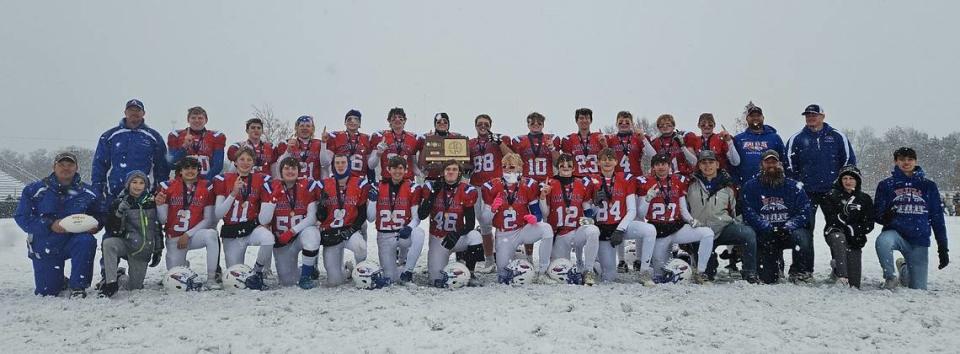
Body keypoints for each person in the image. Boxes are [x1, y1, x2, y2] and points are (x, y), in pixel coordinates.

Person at [15, 152, 103, 297]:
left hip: (74, 240)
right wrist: (49, 224)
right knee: (48, 292)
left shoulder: (88, 192)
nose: (66, 168)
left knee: (86, 241)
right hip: (45, 243)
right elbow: (22, 217)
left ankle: (78, 286)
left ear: (76, 168)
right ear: (53, 167)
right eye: (61, 165)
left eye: (70, 165)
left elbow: (99, 214)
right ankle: (57, 279)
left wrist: (96, 225)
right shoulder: (34, 190)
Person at [874, 147, 949, 290]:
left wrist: (943, 248)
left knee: (918, 287)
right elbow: (877, 215)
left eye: (910, 159)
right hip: (895, 234)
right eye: (902, 159)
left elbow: (937, 218)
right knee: (882, 241)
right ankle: (890, 277)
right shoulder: (886, 185)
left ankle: (904, 268)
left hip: (918, 238)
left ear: (915, 161)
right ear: (896, 161)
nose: (906, 162)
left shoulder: (928, 186)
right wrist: (885, 216)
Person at [636, 153, 713, 284]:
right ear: (653, 167)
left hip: (676, 227)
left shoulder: (678, 181)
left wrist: (690, 220)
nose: (661, 167)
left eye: (664, 164)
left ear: (669, 165)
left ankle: (700, 272)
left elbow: (683, 209)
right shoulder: (646, 182)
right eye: (658, 164)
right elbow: (641, 214)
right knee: (660, 273)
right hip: (658, 230)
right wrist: (648, 198)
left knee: (707, 233)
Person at [740, 150, 813, 284]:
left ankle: (799, 272)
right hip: (765, 234)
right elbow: (748, 212)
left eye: (774, 161)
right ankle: (773, 268)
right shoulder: (751, 186)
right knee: (768, 278)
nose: (771, 165)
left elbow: (804, 212)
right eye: (767, 162)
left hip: (788, 231)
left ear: (780, 163)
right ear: (761, 165)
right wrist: (766, 227)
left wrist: (788, 227)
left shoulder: (793, 186)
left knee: (802, 236)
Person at [685, 150, 758, 283]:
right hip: (701, 232)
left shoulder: (729, 185)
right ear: (699, 166)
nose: (708, 166)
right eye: (704, 163)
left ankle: (750, 272)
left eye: (711, 162)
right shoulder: (690, 185)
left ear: (718, 165)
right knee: (707, 274)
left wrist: (736, 226)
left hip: (723, 228)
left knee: (748, 234)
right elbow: (684, 210)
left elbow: (737, 211)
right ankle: (707, 266)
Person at [479, 153, 554, 282]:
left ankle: (542, 271)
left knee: (546, 229)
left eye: (512, 167)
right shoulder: (492, 186)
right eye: (504, 167)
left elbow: (537, 213)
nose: (507, 170)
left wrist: (535, 218)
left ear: (520, 168)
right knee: (503, 275)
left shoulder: (528, 185)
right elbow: (485, 221)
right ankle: (513, 259)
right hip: (503, 235)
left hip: (522, 230)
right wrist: (492, 209)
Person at [784, 104, 856, 234]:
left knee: (837, 228)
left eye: (814, 115)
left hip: (833, 191)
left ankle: (839, 255)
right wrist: (797, 184)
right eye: (808, 115)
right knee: (805, 230)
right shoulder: (797, 139)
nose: (811, 117)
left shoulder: (837, 137)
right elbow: (788, 164)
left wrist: (841, 185)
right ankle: (806, 254)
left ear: (822, 116)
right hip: (806, 193)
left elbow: (848, 162)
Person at [590, 148, 657, 285]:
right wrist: (595, 204)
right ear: (598, 162)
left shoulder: (626, 179)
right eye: (604, 159)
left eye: (610, 158)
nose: (607, 161)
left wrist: (620, 229)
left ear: (616, 161)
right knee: (609, 276)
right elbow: (588, 214)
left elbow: (632, 210)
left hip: (621, 225)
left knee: (649, 230)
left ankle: (644, 271)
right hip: (602, 228)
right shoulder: (592, 180)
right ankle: (594, 266)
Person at [212, 147, 273, 289]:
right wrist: (233, 193)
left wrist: (264, 222)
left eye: (249, 160)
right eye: (242, 159)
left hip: (251, 228)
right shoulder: (223, 179)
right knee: (234, 278)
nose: (245, 163)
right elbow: (218, 213)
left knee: (268, 239)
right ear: (235, 162)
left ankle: (257, 272)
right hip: (232, 232)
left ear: (253, 162)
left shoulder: (261, 179)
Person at [155, 157, 221, 288]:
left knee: (211, 234)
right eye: (186, 168)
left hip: (194, 235)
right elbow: (163, 220)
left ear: (198, 170)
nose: (190, 171)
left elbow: (208, 219)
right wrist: (159, 205)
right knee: (176, 277)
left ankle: (212, 278)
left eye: (193, 168)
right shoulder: (168, 186)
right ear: (180, 171)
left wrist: (188, 234)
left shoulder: (206, 187)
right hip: (174, 237)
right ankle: (183, 264)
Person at [92, 99, 169, 209]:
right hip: (115, 193)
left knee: (143, 225)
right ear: (125, 112)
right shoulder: (110, 136)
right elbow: (99, 164)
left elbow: (162, 166)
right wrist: (98, 188)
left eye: (137, 110)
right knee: (115, 224)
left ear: (143, 113)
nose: (134, 113)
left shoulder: (153, 137)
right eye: (131, 110)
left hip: (145, 195)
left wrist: (160, 189)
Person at [419, 160, 485, 287]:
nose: (451, 172)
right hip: (439, 239)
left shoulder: (466, 191)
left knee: (475, 236)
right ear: (443, 172)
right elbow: (422, 215)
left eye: (454, 169)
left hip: (457, 236)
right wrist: (433, 195)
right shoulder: (432, 188)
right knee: (436, 280)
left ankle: (470, 271)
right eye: (448, 169)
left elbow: (470, 223)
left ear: (459, 173)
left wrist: (457, 234)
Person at [604, 111, 656, 273]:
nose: (624, 123)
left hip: (636, 179)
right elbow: (604, 157)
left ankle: (640, 259)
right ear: (616, 123)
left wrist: (643, 139)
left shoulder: (638, 138)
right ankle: (621, 261)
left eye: (627, 121)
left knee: (639, 218)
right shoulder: (611, 139)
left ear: (632, 123)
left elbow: (653, 155)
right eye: (621, 121)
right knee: (618, 218)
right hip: (618, 181)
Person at [99, 170, 164, 298]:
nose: (137, 186)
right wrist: (119, 213)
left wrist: (158, 250)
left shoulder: (151, 202)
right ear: (128, 184)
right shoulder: (119, 202)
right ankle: (110, 282)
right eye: (134, 182)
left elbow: (156, 227)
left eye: (141, 183)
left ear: (145, 186)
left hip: (142, 250)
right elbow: (113, 230)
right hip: (127, 244)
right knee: (109, 243)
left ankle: (119, 276)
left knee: (134, 288)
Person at [258, 157, 321, 287]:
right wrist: (273, 200)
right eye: (286, 168)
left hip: (299, 235)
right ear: (281, 171)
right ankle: (307, 267)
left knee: (312, 233)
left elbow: (312, 218)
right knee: (288, 281)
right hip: (282, 241)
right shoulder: (270, 187)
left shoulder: (307, 186)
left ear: (299, 171)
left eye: (294, 168)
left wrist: (292, 231)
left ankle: (306, 276)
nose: (290, 171)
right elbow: (264, 220)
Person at [541, 153, 601, 285]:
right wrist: (542, 197)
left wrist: (590, 218)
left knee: (593, 231)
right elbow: (545, 213)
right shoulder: (550, 183)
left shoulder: (581, 183)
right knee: (560, 272)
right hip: (560, 234)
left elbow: (586, 206)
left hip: (576, 230)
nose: (565, 167)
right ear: (558, 168)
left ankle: (589, 270)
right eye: (562, 165)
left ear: (574, 168)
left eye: (569, 165)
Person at [313, 154, 369, 288]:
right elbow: (320, 217)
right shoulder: (324, 184)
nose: (340, 165)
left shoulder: (359, 184)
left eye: (343, 162)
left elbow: (362, 214)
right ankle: (347, 272)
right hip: (331, 233)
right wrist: (321, 206)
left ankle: (360, 269)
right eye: (337, 163)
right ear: (333, 165)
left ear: (348, 164)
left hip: (349, 229)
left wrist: (352, 229)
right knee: (334, 281)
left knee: (360, 247)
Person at [368, 156, 425, 284]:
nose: (397, 171)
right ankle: (400, 264)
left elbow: (416, 218)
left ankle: (407, 270)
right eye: (394, 168)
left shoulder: (412, 188)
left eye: (400, 168)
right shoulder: (378, 187)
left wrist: (409, 227)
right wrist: (372, 201)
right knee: (391, 278)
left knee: (419, 233)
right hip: (385, 235)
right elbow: (370, 218)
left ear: (406, 170)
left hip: (403, 234)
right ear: (388, 169)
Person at [468, 114, 513, 273]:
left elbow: (511, 156)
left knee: (501, 221)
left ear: (491, 125)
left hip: (495, 186)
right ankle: (489, 260)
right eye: (479, 123)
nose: (483, 126)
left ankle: (505, 256)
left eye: (486, 124)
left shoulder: (499, 140)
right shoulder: (470, 143)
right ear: (475, 125)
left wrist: (499, 142)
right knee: (484, 224)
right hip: (477, 187)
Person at [821, 165, 874, 288]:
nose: (848, 181)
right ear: (840, 180)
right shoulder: (831, 196)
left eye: (851, 178)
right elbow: (831, 219)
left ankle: (836, 266)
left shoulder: (864, 199)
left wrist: (857, 230)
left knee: (855, 284)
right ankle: (841, 277)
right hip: (835, 232)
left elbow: (869, 223)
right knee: (839, 238)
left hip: (856, 237)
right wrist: (847, 228)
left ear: (857, 180)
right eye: (845, 178)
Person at [731, 105, 786, 186]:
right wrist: (736, 183)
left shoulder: (774, 138)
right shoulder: (738, 139)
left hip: (770, 185)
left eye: (758, 116)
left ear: (763, 118)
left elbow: (783, 160)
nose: (755, 118)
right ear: (747, 119)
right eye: (752, 116)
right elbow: (733, 163)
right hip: (745, 185)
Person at [167, 106, 226, 180]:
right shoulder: (176, 136)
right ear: (188, 120)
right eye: (193, 118)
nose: (197, 120)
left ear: (206, 120)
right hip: (183, 181)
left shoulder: (216, 137)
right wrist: (184, 147)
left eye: (200, 118)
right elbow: (171, 164)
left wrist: (205, 181)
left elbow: (218, 165)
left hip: (206, 181)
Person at [369, 107, 423, 182]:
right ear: (389, 121)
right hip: (388, 181)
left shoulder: (413, 138)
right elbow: (371, 166)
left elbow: (414, 166)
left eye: (400, 118)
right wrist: (378, 154)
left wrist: (422, 174)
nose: (397, 120)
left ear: (405, 120)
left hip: (407, 181)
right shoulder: (381, 137)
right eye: (394, 118)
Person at [508, 112, 561, 183]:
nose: (536, 124)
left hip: (547, 181)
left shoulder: (551, 139)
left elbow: (558, 164)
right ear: (528, 125)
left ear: (543, 125)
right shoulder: (519, 140)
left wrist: (552, 148)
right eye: (532, 123)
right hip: (527, 182)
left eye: (539, 123)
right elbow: (515, 164)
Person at [323, 109, 372, 180]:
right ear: (345, 122)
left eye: (356, 119)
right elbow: (326, 162)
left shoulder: (366, 138)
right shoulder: (336, 136)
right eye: (349, 119)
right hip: (340, 180)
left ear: (360, 124)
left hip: (359, 180)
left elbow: (370, 165)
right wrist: (323, 143)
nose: (352, 122)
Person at [559, 108, 606, 177]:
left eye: (587, 118)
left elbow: (607, 159)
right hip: (577, 178)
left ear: (591, 121)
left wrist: (604, 144)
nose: (584, 120)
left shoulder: (598, 137)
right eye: (581, 118)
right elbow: (566, 162)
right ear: (576, 121)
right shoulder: (569, 139)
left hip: (597, 178)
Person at [419, 112, 466, 182]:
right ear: (435, 125)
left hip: (453, 178)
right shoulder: (428, 138)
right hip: (434, 177)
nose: (442, 123)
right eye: (438, 122)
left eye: (445, 122)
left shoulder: (455, 138)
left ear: (448, 124)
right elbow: (421, 164)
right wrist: (427, 142)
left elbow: (463, 161)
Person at [275, 115, 325, 180]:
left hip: (314, 186)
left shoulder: (319, 144)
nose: (304, 128)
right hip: (295, 186)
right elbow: (279, 168)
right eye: (301, 126)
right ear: (296, 128)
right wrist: (288, 151)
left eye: (308, 126)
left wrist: (324, 144)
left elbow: (325, 164)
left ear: (312, 129)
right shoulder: (289, 144)